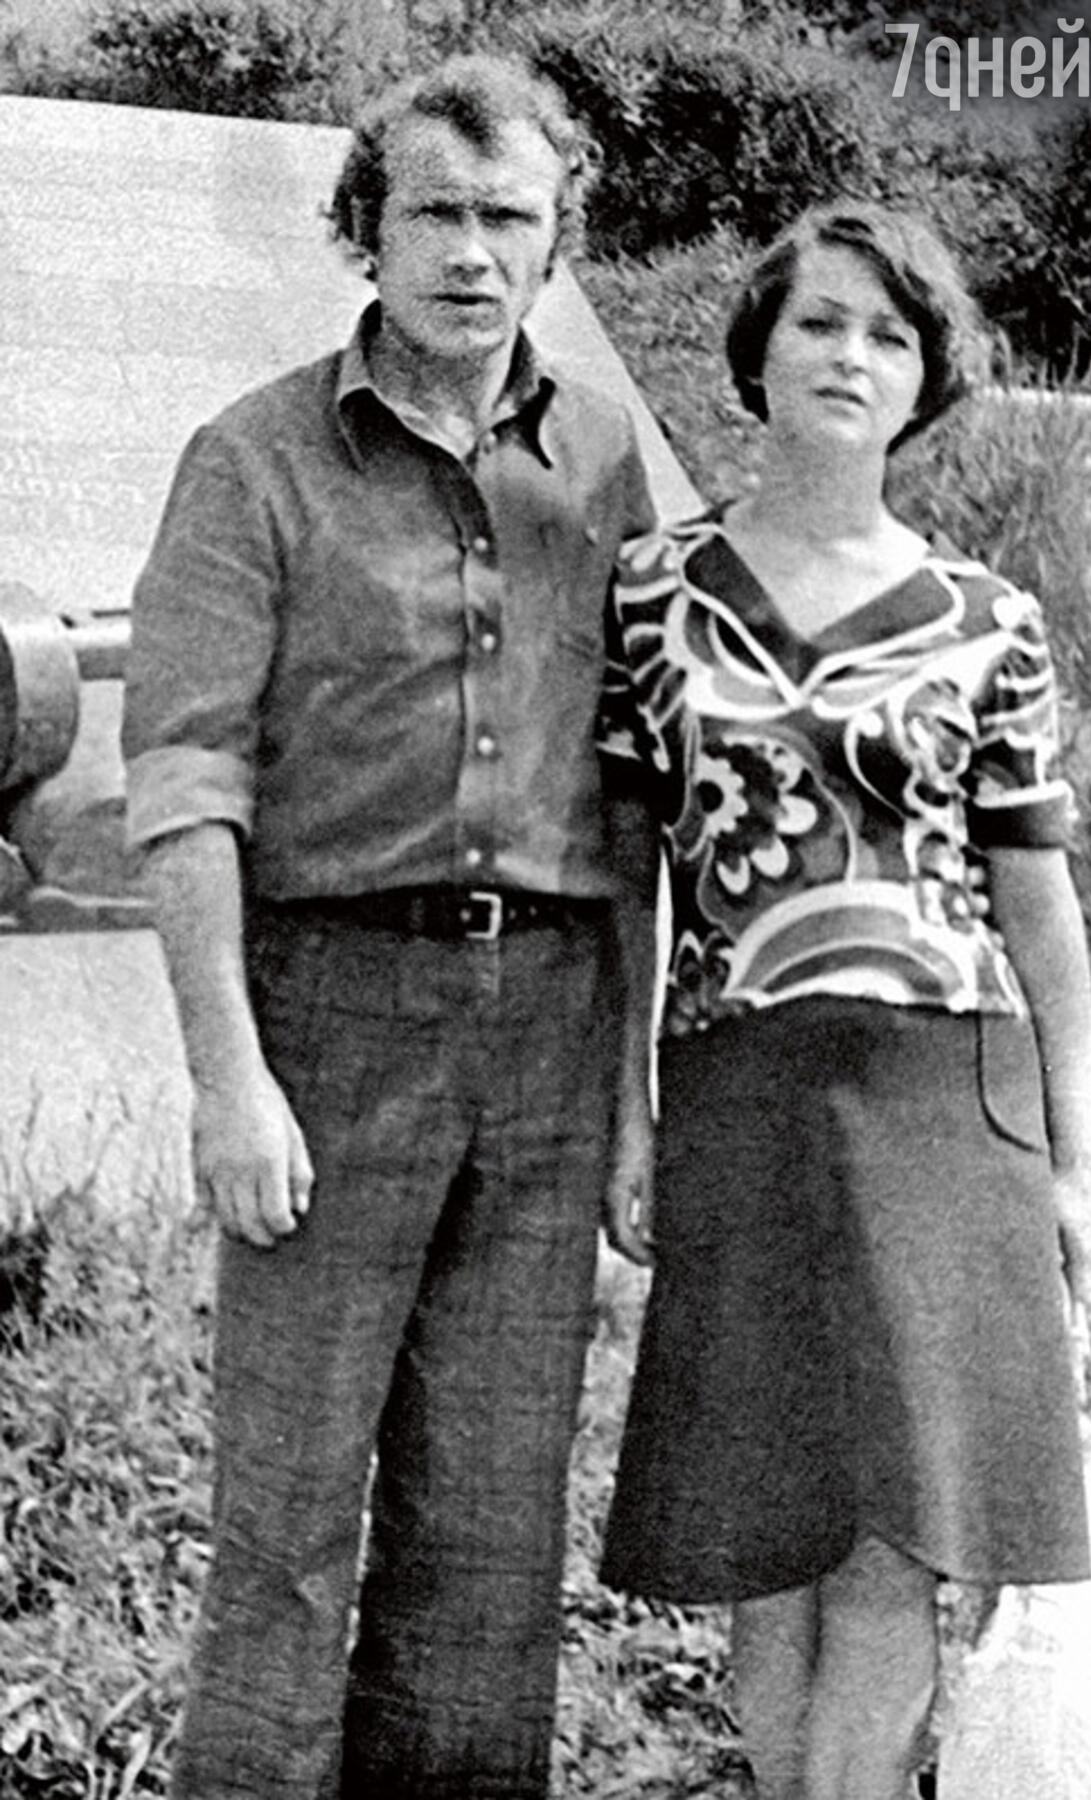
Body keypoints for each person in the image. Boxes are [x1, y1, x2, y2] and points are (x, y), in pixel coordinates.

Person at [121, 55, 655, 1800]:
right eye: (435, 212)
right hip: (330, 1018)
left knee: (493, 1537)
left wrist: (636, 1100)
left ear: (560, 243)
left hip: (552, 1029)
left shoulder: (607, 466)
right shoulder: (254, 459)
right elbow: (184, 783)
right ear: (366, 229)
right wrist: (229, 1078)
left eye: (511, 218)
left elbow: (640, 799)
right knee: (286, 1524)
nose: (473, 254)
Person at [598, 201, 1091, 1800]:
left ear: (925, 381)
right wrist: (630, 1119)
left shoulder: (987, 620)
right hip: (740, 1098)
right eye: (820, 321)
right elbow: (626, 883)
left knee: (897, 1542)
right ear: (759, 351)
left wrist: (1076, 1164)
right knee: (764, 1542)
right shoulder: (653, 593)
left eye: (890, 335)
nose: (851, 357)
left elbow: (1040, 908)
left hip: (943, 1108)